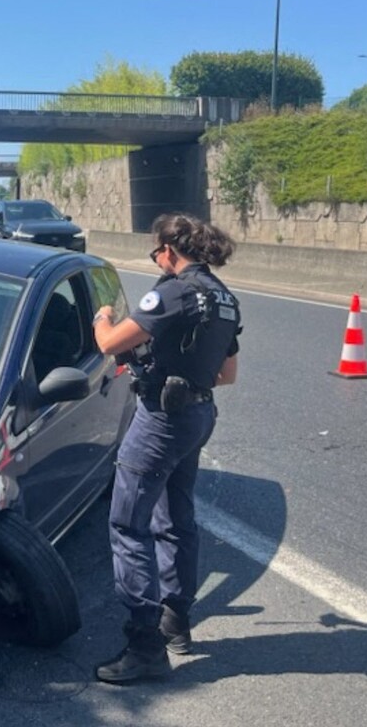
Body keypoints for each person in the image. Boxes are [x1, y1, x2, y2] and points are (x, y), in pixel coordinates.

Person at [90, 213, 243, 684]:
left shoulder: (173, 291)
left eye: (156, 253)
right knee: (175, 518)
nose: (156, 261)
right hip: (198, 415)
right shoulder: (225, 298)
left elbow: (110, 343)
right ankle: (176, 623)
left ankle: (144, 647)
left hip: (162, 419)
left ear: (169, 251)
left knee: (127, 525)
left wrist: (103, 317)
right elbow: (227, 375)